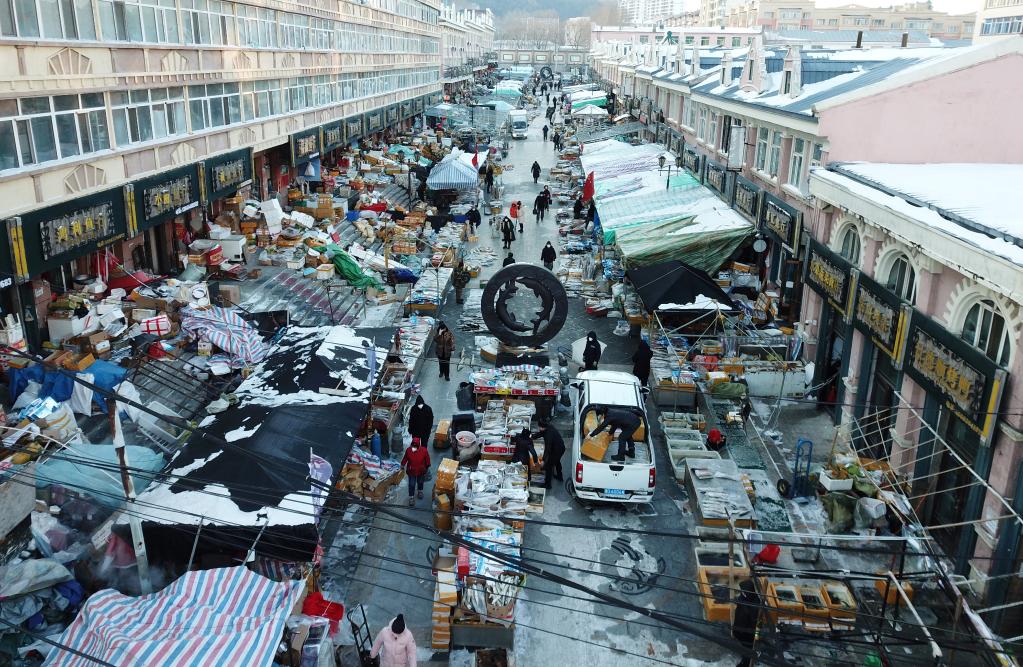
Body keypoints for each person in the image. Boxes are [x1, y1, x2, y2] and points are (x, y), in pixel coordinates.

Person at [732, 579, 762, 667]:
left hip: (747, 633)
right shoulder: (745, 596)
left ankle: (745, 664)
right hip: (739, 627)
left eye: (743, 591)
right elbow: (740, 600)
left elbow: (755, 621)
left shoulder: (756, 605)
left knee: (747, 650)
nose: (741, 592)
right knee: (744, 647)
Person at [531, 421, 564, 489]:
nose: (539, 428)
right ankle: (560, 476)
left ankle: (548, 484)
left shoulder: (548, 435)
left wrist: (543, 460)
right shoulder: (548, 427)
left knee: (549, 466)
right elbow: (540, 433)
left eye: (539, 427)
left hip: (557, 450)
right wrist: (532, 436)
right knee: (557, 461)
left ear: (543, 427)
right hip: (560, 447)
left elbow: (547, 449)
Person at [401, 437, 431, 505]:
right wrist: (402, 464)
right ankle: (411, 497)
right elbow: (405, 458)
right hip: (412, 471)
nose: (413, 447)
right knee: (412, 484)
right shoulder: (408, 450)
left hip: (421, 470)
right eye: (413, 445)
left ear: (418, 445)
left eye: (415, 446)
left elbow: (427, 459)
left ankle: (420, 491)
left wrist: (427, 466)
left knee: (420, 481)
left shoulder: (424, 450)